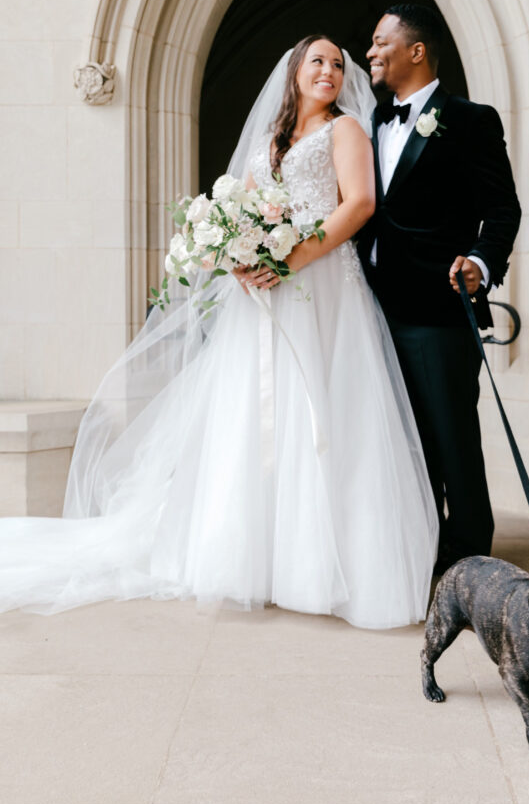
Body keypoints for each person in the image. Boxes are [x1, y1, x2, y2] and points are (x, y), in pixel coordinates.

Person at [0, 36, 438, 628]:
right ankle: (251, 561)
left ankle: (315, 567)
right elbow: (244, 213)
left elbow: (358, 205)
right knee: (251, 418)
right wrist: (234, 254)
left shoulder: (346, 131)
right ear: (294, 72)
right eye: (318, 61)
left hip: (325, 291)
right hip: (261, 295)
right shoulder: (264, 143)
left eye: (338, 64)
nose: (330, 71)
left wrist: (291, 259)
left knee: (324, 417)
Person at [358, 5, 522, 573]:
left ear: (416, 50)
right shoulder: (371, 122)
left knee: (452, 441)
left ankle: (472, 562)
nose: (371, 52)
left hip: (437, 311)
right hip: (371, 310)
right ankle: (421, 552)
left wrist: (480, 260)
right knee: (403, 442)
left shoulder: (471, 120)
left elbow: (502, 208)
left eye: (381, 42)